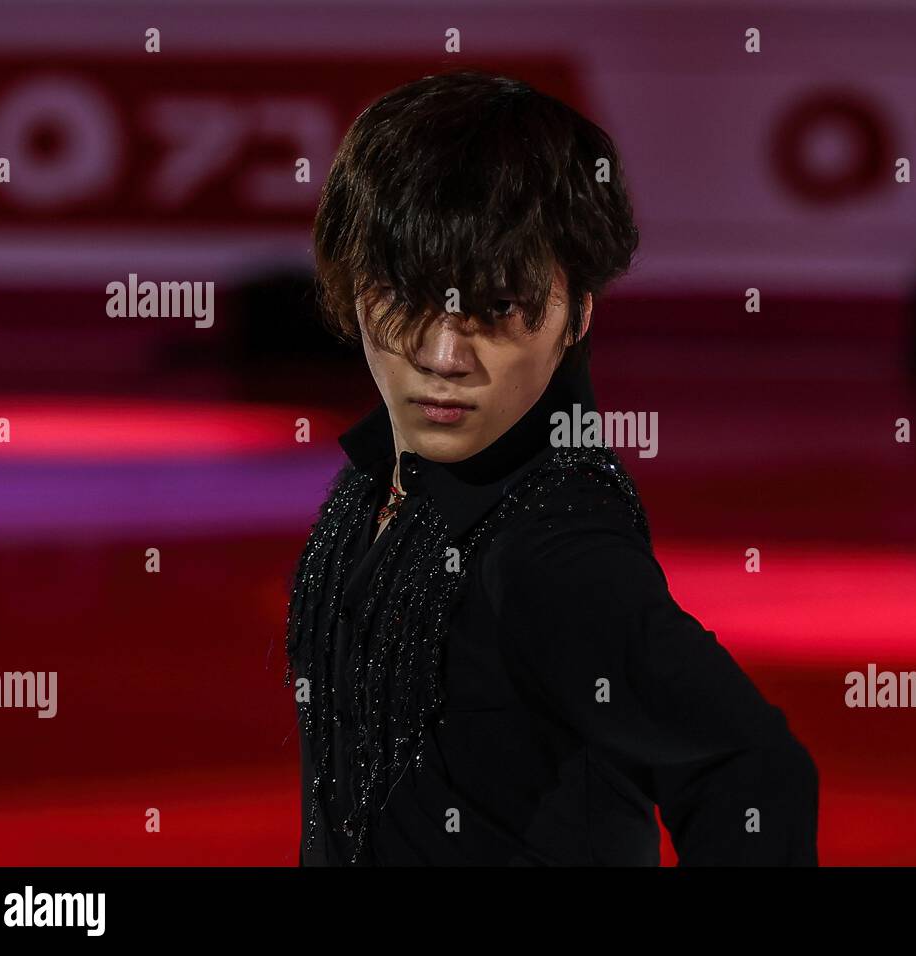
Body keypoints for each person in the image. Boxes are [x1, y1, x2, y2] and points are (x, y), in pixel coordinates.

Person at [284, 68, 818, 866]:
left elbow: (752, 771)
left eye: (496, 309)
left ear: (578, 315)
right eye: (404, 295)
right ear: (352, 287)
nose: (441, 358)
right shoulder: (373, 479)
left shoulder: (552, 547)